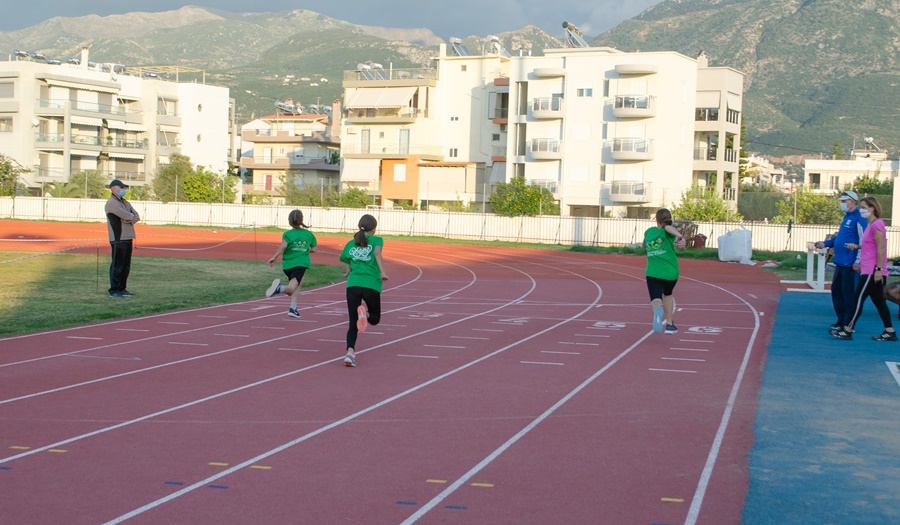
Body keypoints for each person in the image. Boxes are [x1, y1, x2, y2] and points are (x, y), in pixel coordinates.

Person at [832, 197, 897, 341]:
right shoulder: (870, 225)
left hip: (872, 271)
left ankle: (847, 329)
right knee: (879, 302)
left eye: (864, 207)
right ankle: (889, 331)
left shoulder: (877, 225)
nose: (862, 210)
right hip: (869, 269)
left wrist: (879, 269)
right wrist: (857, 246)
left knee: (857, 299)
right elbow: (871, 245)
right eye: (861, 207)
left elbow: (881, 248)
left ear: (873, 208)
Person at [338, 214, 389, 367]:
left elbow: (344, 259)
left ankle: (350, 353)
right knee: (374, 318)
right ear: (374, 228)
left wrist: (348, 271)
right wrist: (382, 272)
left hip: (353, 284)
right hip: (371, 284)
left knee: (352, 323)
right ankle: (364, 313)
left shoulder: (350, 243)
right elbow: (377, 253)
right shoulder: (377, 240)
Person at [815, 190, 865, 333]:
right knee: (837, 291)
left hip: (850, 263)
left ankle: (848, 324)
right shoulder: (847, 218)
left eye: (844, 201)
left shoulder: (858, 218)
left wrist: (858, 260)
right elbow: (840, 238)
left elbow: (863, 241)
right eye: (841, 201)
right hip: (840, 262)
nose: (842, 204)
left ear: (852, 201)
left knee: (848, 294)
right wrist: (826, 243)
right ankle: (841, 320)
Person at [265, 209, 317, 318]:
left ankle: (293, 308)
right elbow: (314, 249)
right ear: (301, 220)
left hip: (287, 265)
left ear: (289, 221)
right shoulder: (308, 234)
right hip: (300, 264)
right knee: (290, 289)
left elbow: (284, 245)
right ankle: (279, 288)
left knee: (299, 282)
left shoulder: (287, 234)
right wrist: (307, 248)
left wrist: (275, 257)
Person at [643, 208, 686, 334]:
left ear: (656, 219)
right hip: (671, 273)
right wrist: (680, 237)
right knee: (668, 294)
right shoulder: (668, 233)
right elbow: (668, 228)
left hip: (653, 272)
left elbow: (644, 245)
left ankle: (657, 310)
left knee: (656, 299)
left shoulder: (649, 232)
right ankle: (669, 324)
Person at [105, 179, 140, 298]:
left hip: (128, 237)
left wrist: (129, 218)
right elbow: (127, 215)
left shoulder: (125, 202)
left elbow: (136, 215)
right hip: (118, 238)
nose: (123, 190)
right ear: (114, 188)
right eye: (121, 188)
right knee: (117, 265)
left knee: (125, 265)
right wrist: (129, 217)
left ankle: (122, 288)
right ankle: (114, 290)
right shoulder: (112, 203)